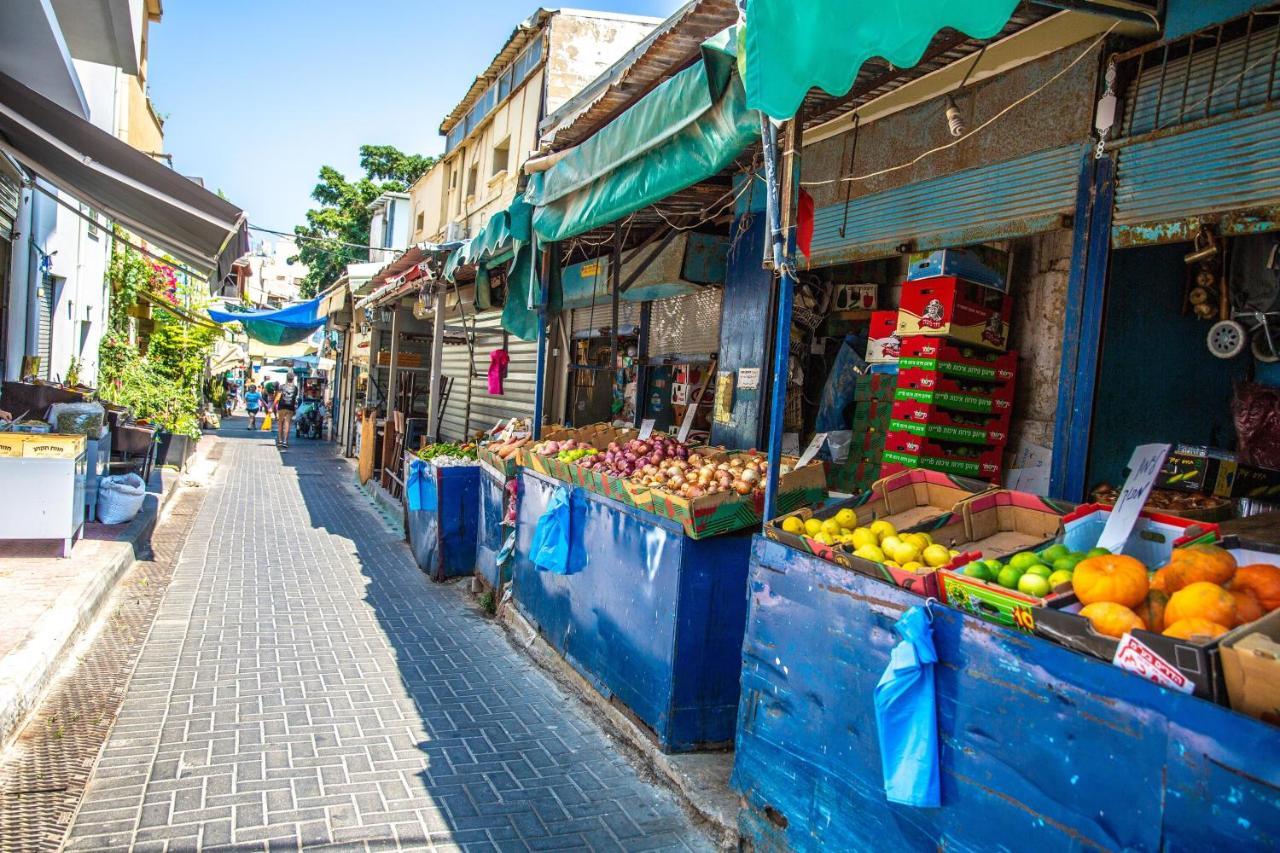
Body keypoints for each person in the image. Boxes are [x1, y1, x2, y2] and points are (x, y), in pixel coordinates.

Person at [274, 372, 299, 448]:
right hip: (290, 407)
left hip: (282, 406)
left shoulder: (282, 387)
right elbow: (294, 398)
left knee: (280, 423)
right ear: (293, 378)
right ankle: (285, 441)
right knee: (287, 424)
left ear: (286, 378)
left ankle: (280, 440)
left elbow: (278, 397)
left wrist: (272, 406)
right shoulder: (295, 388)